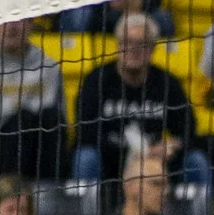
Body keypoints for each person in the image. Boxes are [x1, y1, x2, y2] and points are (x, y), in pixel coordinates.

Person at [72, 13, 203, 190]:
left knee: (195, 160)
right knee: (85, 157)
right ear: (118, 45)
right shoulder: (96, 80)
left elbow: (188, 130)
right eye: (127, 42)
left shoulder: (167, 83)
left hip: (155, 163)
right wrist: (135, 151)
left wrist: (168, 146)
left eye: (141, 43)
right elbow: (85, 132)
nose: (133, 49)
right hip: (109, 160)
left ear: (152, 48)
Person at [0, 16, 65, 182]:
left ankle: (49, 193)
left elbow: (58, 115)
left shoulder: (49, 65)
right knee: (19, 122)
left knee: (51, 119)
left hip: (37, 141)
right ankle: (8, 193)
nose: (11, 27)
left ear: (31, 24)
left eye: (19, 20)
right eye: (4, 20)